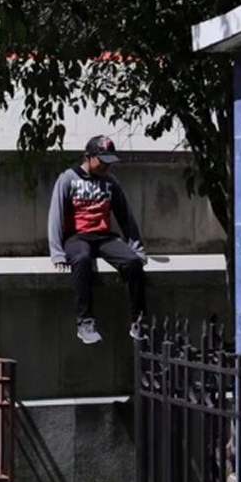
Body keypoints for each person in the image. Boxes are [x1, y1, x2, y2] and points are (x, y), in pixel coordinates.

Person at [47, 135, 149, 345]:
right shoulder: (68, 178)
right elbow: (55, 214)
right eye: (102, 162)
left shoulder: (110, 182)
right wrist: (57, 252)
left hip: (104, 237)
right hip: (77, 238)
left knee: (132, 263)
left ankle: (138, 320)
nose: (106, 167)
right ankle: (85, 322)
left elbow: (125, 216)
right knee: (82, 260)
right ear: (89, 157)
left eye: (110, 163)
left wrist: (136, 248)